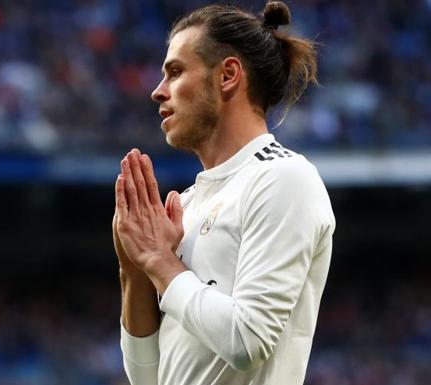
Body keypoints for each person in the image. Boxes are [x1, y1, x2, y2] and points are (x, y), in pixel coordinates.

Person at [112, 2, 335, 385]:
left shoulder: (283, 178)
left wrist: (160, 263)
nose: (157, 92)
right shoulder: (186, 205)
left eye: (175, 72)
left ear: (228, 75)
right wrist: (134, 270)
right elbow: (148, 378)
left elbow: (248, 342)